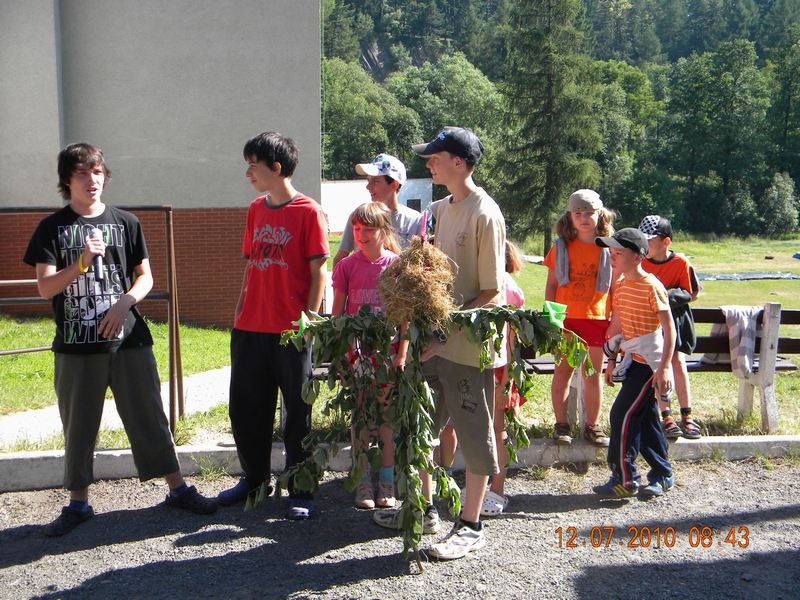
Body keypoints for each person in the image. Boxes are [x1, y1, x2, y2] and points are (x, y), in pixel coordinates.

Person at [23, 143, 217, 537]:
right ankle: (78, 503)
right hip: (77, 347)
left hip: (129, 341)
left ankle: (177, 489)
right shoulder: (52, 228)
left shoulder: (126, 222)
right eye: (81, 173)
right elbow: (45, 288)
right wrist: (79, 263)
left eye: (96, 172)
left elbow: (144, 276)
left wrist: (124, 304)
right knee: (78, 426)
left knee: (149, 415)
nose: (91, 180)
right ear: (66, 180)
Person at [373, 127, 506, 561]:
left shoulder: (485, 213)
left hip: (468, 347)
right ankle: (425, 509)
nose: (428, 162)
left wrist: (444, 331)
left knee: (472, 433)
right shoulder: (436, 209)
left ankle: (470, 525)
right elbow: (428, 274)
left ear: (459, 162)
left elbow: (491, 293)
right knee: (422, 429)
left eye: (435, 156)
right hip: (433, 343)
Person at [217, 132, 329, 520]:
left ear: (275, 168)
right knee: (247, 408)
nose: (248, 172)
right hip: (250, 327)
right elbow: (252, 266)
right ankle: (255, 480)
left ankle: (301, 488)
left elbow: (320, 272)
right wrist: (238, 312)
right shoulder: (255, 209)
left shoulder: (308, 211)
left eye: (253, 165)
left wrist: (309, 322)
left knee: (297, 413)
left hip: (291, 330)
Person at [331, 202, 408, 510]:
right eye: (357, 229)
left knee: (388, 416)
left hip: (387, 354)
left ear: (383, 231)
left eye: (369, 229)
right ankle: (364, 481)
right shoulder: (347, 266)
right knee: (361, 414)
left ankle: (386, 481)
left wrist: (402, 352)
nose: (361, 235)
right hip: (358, 354)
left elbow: (405, 315)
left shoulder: (396, 265)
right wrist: (338, 353)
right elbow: (338, 315)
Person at [593, 228, 676, 499]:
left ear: (638, 256)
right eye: (611, 252)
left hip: (649, 364)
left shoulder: (652, 286)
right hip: (632, 361)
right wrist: (611, 362)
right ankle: (662, 474)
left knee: (622, 415)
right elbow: (617, 325)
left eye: (618, 253)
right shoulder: (619, 284)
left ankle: (624, 478)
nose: (612, 257)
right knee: (646, 418)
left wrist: (663, 368)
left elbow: (669, 329)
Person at [542, 189, 616, 447]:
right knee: (562, 373)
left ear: (600, 215)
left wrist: (614, 323)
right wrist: (553, 321)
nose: (584, 218)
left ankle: (592, 426)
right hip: (566, 321)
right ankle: (561, 425)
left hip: (596, 320)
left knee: (592, 376)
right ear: (570, 217)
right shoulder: (561, 247)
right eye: (578, 213)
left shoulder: (611, 249)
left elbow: (615, 290)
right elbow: (551, 286)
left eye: (589, 213)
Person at [639, 215, 703, 440]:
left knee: (677, 363)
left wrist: (666, 295)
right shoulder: (640, 262)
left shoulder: (681, 263)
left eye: (650, 240)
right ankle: (666, 416)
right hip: (650, 323)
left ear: (666, 242)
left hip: (674, 322)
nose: (645, 245)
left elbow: (692, 293)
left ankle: (687, 416)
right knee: (659, 366)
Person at [482, 240, 527, 517]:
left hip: (500, 367)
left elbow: (511, 340)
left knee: (498, 429)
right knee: (484, 430)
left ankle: (497, 489)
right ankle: (485, 485)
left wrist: (507, 381)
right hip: (480, 366)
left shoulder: (507, 287)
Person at [332, 154, 424, 269]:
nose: (368, 187)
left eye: (375, 181)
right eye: (368, 180)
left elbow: (421, 264)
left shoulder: (415, 220)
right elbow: (340, 257)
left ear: (394, 184)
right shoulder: (359, 216)